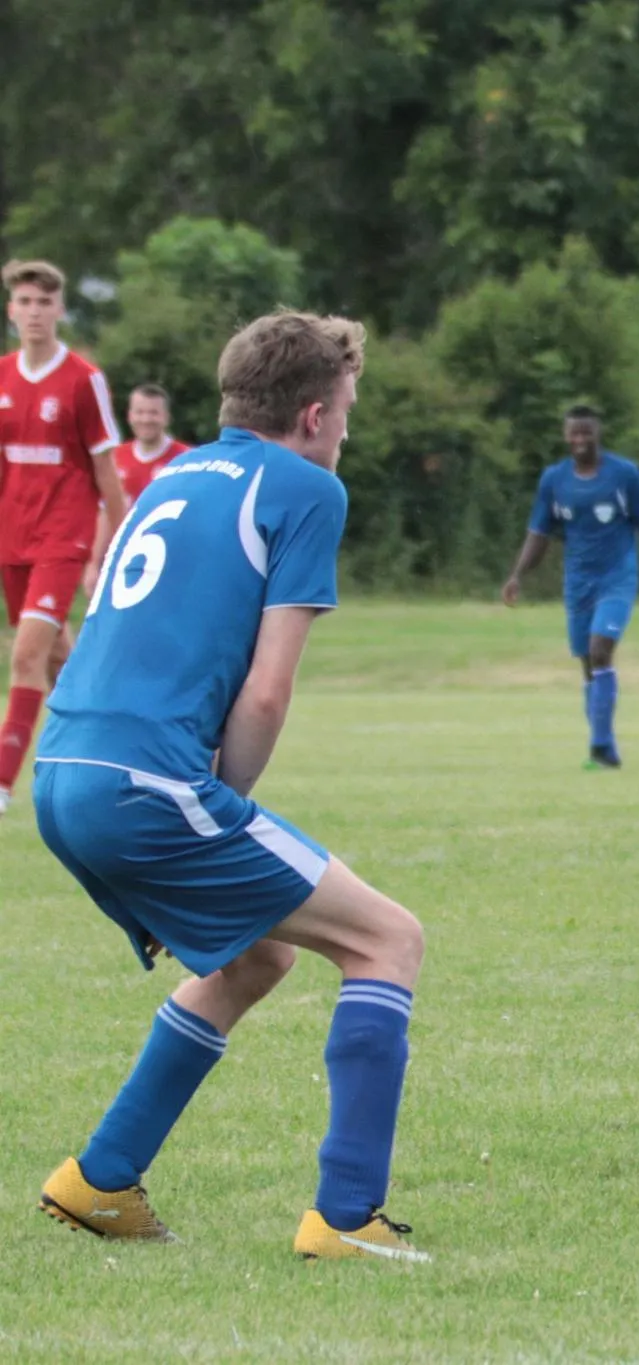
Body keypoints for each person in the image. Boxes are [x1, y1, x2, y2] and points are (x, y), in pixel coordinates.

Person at [33, 310, 430, 1261]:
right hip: (142, 785)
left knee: (258, 957)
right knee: (387, 938)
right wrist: (225, 801)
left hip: (63, 768)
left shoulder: (171, 477)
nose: (346, 431)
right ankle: (346, 1220)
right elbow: (266, 689)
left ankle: (101, 1178)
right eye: (346, 411)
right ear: (312, 415)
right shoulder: (305, 487)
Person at [0, 259, 127, 817]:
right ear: (11, 310)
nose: (34, 312)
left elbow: (106, 474)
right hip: (13, 538)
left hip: (63, 538)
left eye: (44, 303)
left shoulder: (82, 379)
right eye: (25, 302)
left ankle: (2, 783)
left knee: (25, 655)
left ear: (60, 309)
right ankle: (107, 747)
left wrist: (117, 545)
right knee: (59, 663)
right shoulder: (2, 376)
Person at [501, 405, 639, 769]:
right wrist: (518, 575)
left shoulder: (624, 475)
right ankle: (605, 749)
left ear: (597, 434)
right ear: (565, 436)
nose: (580, 440)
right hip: (578, 583)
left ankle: (599, 747)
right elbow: (539, 533)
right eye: (573, 433)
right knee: (589, 666)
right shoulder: (554, 479)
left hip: (617, 578)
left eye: (586, 433)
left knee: (600, 650)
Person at [110, 384, 193, 505]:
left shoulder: (187, 459)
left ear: (167, 417)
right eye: (140, 412)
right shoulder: (114, 457)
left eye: (154, 413)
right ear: (129, 416)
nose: (146, 420)